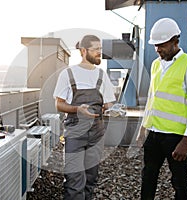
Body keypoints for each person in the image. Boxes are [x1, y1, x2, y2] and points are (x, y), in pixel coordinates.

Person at [136, 18, 187, 200]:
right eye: (155, 45)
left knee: (180, 182)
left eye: (162, 45)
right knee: (148, 178)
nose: (158, 49)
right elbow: (152, 98)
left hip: (175, 137)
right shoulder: (156, 64)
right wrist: (143, 128)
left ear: (175, 41)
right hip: (153, 133)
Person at [53, 34, 116, 200]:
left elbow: (108, 104)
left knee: (90, 179)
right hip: (74, 134)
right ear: (83, 51)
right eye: (96, 50)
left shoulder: (102, 76)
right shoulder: (67, 74)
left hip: (96, 134)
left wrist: (109, 108)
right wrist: (77, 109)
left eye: (100, 50)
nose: (99, 53)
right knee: (74, 181)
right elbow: (58, 104)